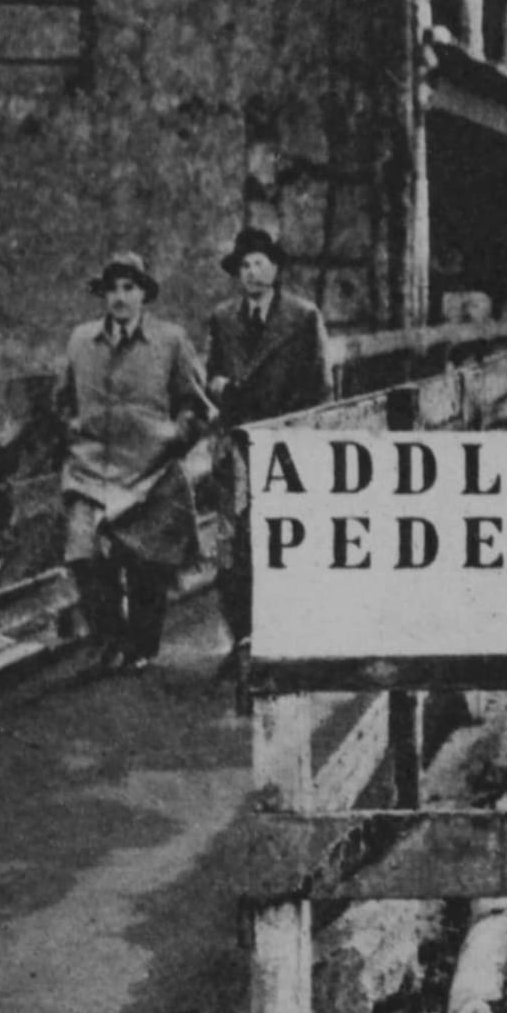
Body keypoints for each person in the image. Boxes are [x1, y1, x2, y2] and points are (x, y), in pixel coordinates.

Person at [58, 251, 213, 672]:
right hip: (92, 468)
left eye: (129, 288)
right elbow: (62, 399)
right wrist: (77, 433)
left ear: (144, 293)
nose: (120, 297)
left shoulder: (171, 341)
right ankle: (109, 639)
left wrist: (173, 439)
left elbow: (196, 408)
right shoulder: (80, 341)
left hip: (152, 471)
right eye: (112, 289)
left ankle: (141, 647)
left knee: (149, 564)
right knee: (83, 555)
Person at [206, 227, 331, 677]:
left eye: (259, 262)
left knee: (280, 544)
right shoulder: (223, 319)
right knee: (229, 550)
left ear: (275, 269)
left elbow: (320, 388)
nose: (251, 271)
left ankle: (282, 640)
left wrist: (297, 435)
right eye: (243, 265)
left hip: (284, 448)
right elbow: (212, 376)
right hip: (235, 448)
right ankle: (240, 640)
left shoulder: (302, 317)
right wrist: (223, 389)